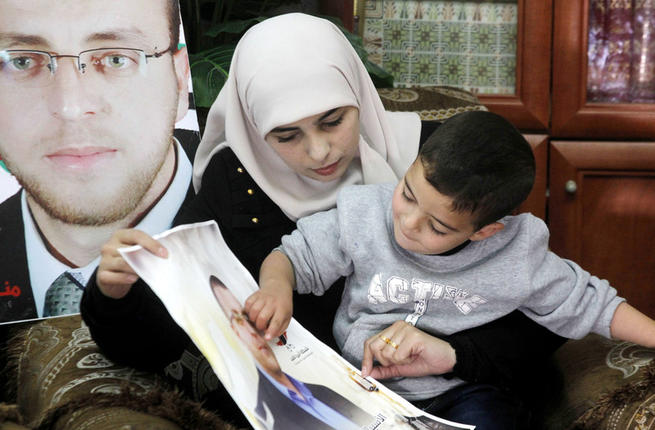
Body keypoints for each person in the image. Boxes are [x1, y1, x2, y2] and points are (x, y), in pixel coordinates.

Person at [81, 13, 564, 428]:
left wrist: (451, 352)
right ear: (252, 128)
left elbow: (542, 306)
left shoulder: (436, 162)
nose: (319, 152)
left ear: (357, 92)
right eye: (286, 135)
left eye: (334, 121)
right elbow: (164, 338)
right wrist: (115, 292)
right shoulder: (233, 182)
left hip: (448, 399)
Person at [247, 110, 655, 429]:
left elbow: (597, 305)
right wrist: (275, 288)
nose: (408, 223)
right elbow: (291, 257)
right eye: (407, 194)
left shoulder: (517, 254)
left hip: (462, 393)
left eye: (438, 227)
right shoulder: (364, 214)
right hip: (359, 386)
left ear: (485, 231)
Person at [0, 0, 193, 323]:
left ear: (179, 79)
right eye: (21, 62)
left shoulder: (279, 235)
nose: (71, 107)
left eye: (117, 58)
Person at [210, 275, 374, 430]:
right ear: (233, 334)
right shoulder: (265, 416)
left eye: (248, 317)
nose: (252, 329)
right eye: (238, 322)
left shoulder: (321, 388)